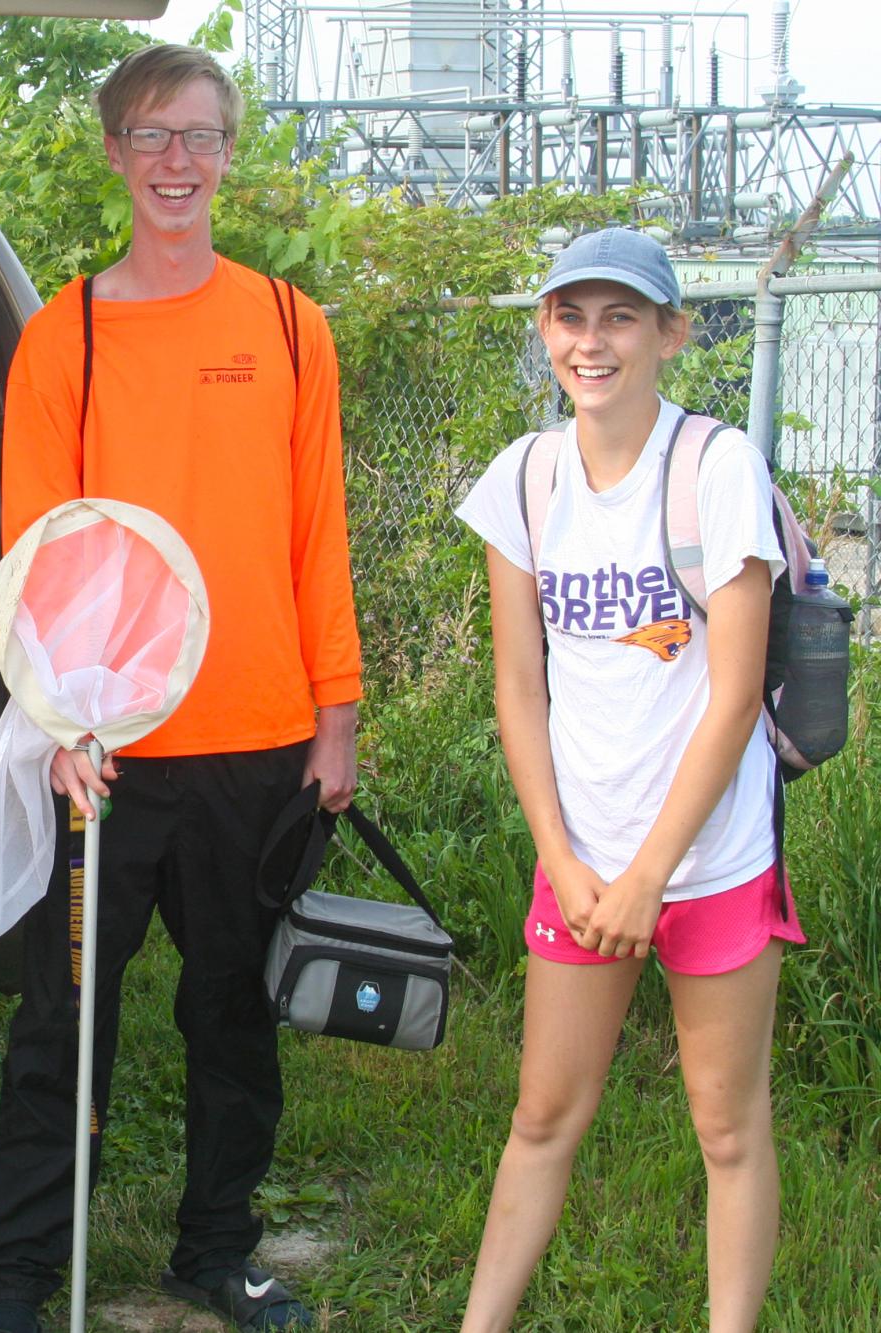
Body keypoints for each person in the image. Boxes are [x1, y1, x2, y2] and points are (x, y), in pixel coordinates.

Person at [0, 45, 361, 1333]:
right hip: (108, 742)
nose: (175, 161)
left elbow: (315, 535)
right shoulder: (61, 334)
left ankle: (215, 1251)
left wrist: (333, 718)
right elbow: (38, 549)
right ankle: (17, 1273)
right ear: (115, 154)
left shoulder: (289, 325)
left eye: (197, 135)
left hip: (258, 734)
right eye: (148, 135)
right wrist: (57, 722)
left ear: (228, 152)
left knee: (231, 1015)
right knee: (63, 1021)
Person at [455, 229, 802, 1331]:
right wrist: (563, 860)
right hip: (585, 860)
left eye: (617, 318)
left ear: (669, 333)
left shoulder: (715, 467)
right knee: (543, 1113)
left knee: (726, 1126)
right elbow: (518, 686)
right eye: (568, 318)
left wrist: (651, 873)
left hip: (705, 858)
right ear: (545, 332)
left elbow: (732, 695)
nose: (588, 343)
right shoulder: (526, 474)